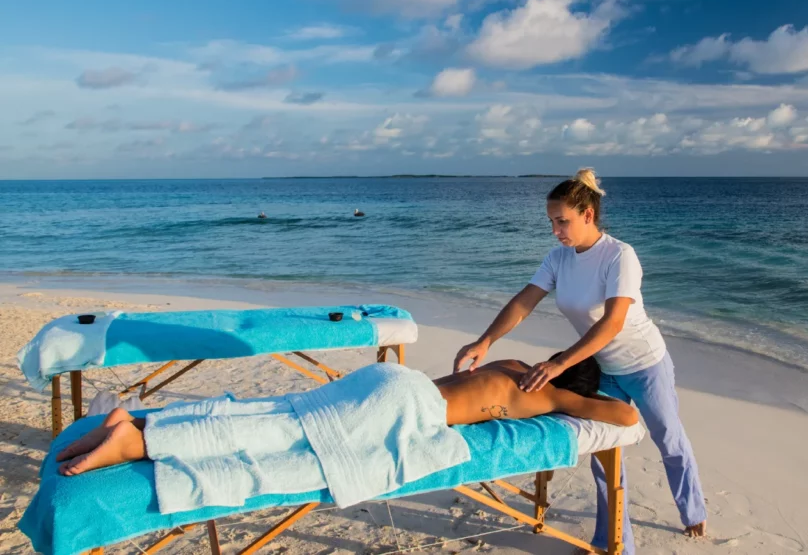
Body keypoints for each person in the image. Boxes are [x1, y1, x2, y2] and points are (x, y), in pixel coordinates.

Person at [453, 168, 707, 551]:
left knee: (669, 438)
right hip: (601, 368)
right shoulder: (559, 258)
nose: (556, 230)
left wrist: (560, 364)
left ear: (588, 214)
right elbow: (525, 301)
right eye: (552, 222)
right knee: (604, 452)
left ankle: (693, 511)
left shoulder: (620, 256)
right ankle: (615, 543)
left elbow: (613, 322)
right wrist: (485, 340)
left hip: (645, 364)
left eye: (562, 221)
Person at [55, 355, 638, 476]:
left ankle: (146, 423)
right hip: (409, 405)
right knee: (282, 433)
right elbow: (623, 419)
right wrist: (575, 384)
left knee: (275, 410)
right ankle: (133, 442)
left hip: (399, 380)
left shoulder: (515, 361)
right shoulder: (551, 394)